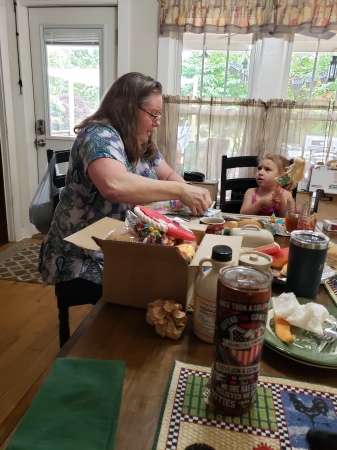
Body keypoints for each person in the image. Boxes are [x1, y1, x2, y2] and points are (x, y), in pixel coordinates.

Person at [38, 72, 212, 301]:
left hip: (124, 245)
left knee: (180, 274)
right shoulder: (97, 136)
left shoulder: (140, 140)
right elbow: (114, 185)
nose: (157, 122)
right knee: (162, 288)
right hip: (83, 255)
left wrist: (189, 189)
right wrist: (181, 191)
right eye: (154, 114)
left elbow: (167, 173)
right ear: (128, 108)